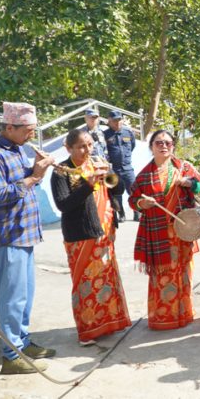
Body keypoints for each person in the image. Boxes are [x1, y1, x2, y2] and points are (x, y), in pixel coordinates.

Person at [0, 102, 57, 374]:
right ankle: (11, 355)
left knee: (24, 295)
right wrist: (34, 176)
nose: (31, 136)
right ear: (9, 127)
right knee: (11, 298)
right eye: (28, 131)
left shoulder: (17, 150)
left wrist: (37, 170)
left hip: (25, 234)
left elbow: (25, 183)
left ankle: (22, 342)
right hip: (7, 236)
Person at [51, 129, 131, 345]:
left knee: (105, 278)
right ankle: (88, 330)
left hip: (105, 233)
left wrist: (109, 175)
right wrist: (89, 184)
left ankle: (110, 322)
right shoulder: (61, 172)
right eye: (81, 146)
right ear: (69, 148)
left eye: (89, 144)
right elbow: (63, 204)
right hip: (80, 235)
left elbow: (118, 189)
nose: (87, 150)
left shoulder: (97, 163)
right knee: (85, 282)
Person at [129, 130, 200, 330]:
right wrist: (142, 204)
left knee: (184, 272)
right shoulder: (144, 175)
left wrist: (188, 183)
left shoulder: (183, 167)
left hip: (182, 231)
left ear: (173, 146)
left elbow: (199, 186)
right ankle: (163, 317)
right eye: (159, 143)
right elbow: (133, 200)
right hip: (158, 232)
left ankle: (184, 313)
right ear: (151, 147)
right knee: (162, 275)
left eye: (168, 143)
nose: (164, 146)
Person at [104, 111, 137, 222]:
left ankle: (136, 214)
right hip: (113, 169)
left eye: (119, 120)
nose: (117, 122)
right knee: (117, 193)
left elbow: (132, 146)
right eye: (114, 121)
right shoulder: (105, 134)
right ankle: (121, 214)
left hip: (127, 168)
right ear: (109, 121)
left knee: (134, 191)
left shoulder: (128, 132)